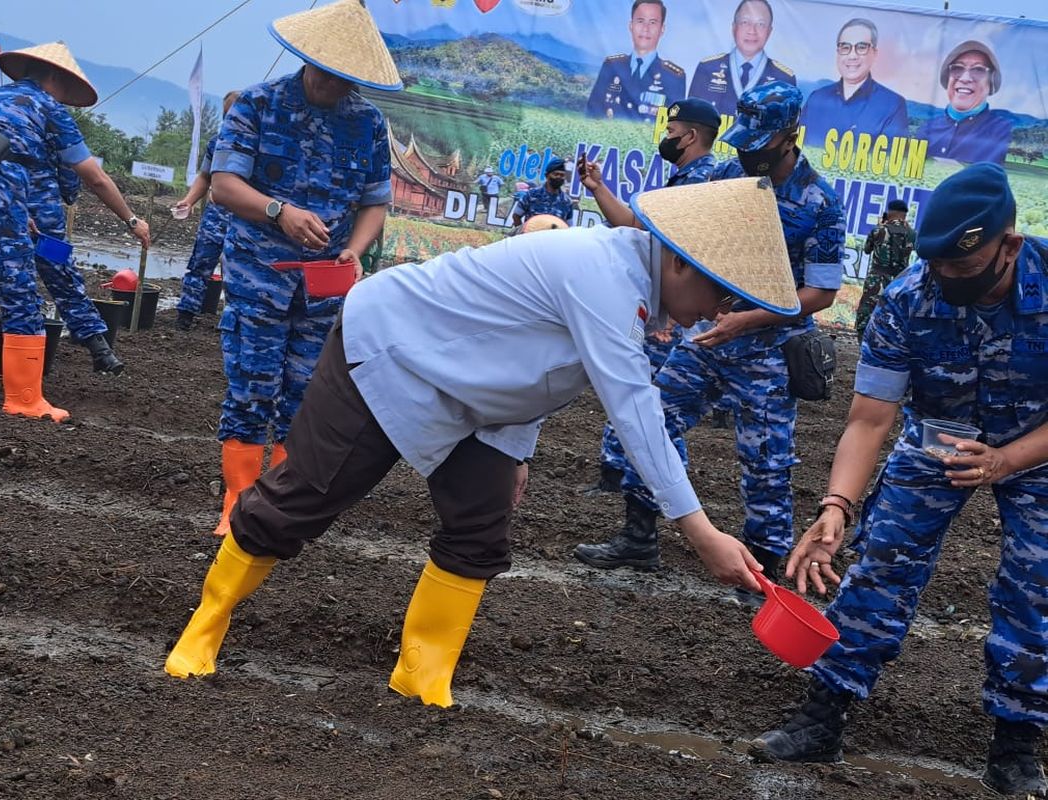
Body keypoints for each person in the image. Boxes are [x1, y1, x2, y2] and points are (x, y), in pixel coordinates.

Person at [163, 177, 802, 707]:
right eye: (718, 291)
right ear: (678, 261)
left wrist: (516, 450)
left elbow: (529, 358)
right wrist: (701, 532)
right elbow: (634, 408)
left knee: (481, 527)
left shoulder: (630, 286)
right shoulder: (603, 272)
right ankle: (204, 626)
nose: (718, 310)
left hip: (469, 395)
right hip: (390, 352)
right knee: (305, 498)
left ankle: (421, 678)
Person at [750, 163, 1048, 799]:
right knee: (880, 564)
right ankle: (824, 716)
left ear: (1010, 245)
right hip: (936, 440)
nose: (948, 284)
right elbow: (868, 419)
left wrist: (1007, 460)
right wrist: (835, 506)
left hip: (1038, 447)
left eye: (964, 273)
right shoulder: (909, 298)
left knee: (1037, 584)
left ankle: (1018, 741)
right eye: (940, 269)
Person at [574, 82, 846, 605]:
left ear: (790, 137)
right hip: (705, 337)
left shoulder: (820, 203)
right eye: (744, 142)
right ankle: (638, 535)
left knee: (767, 461)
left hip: (768, 351)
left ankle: (762, 573)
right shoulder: (724, 176)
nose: (749, 154)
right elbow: (659, 230)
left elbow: (822, 292)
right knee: (650, 418)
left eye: (761, 144)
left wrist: (746, 320)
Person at [205, 0, 396, 538]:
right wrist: (278, 212)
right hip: (258, 275)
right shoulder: (258, 106)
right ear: (308, 59)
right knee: (251, 385)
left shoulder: (366, 122)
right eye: (329, 74)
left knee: (308, 393)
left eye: (347, 79)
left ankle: (277, 505)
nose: (336, 87)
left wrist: (355, 248)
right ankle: (237, 502)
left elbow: (375, 201)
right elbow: (224, 186)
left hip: (324, 285)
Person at [0, 42, 151, 420]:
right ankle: (25, 399)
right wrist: (131, 220)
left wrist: (14, 210)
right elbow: (95, 177)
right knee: (19, 293)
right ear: (56, 77)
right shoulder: (50, 110)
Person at [575, 98, 722, 506]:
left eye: (672, 133)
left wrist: (674, 317)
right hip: (665, 305)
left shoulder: (704, 182)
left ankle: (655, 496)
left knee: (654, 404)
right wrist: (598, 188)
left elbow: (685, 255)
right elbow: (637, 230)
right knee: (639, 393)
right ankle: (620, 477)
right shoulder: (682, 180)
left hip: (677, 312)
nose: (667, 139)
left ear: (690, 136)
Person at [0, 121, 125, 375]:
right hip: (44, 210)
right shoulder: (57, 122)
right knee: (62, 275)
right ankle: (99, 347)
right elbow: (70, 180)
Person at [174, 90, 241, 332]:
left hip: (245, 219)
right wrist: (189, 201)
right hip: (215, 216)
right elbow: (204, 176)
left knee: (238, 271)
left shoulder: (259, 146)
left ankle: (232, 321)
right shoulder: (217, 143)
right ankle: (186, 314)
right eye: (226, 115)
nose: (229, 119)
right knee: (200, 262)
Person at [799, 18, 908, 146]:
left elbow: (892, 161)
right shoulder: (816, 98)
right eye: (845, 47)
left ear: (874, 53)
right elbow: (797, 150)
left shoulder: (893, 105)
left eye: (861, 47)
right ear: (838, 53)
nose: (852, 56)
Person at [689, 0, 796, 119]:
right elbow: (689, 122)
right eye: (745, 22)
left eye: (760, 24)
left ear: (769, 31)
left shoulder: (784, 79)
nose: (752, 31)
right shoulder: (708, 69)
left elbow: (784, 130)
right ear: (734, 27)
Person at [585, 0, 685, 122]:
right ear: (631, 25)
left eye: (652, 22)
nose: (645, 29)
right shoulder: (611, 66)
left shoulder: (673, 77)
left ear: (662, 29)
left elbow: (673, 126)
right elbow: (591, 114)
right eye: (640, 21)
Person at [915, 40, 1013, 165]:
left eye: (978, 70)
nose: (965, 78)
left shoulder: (1003, 132)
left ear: (991, 82)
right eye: (957, 68)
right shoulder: (927, 129)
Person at [855, 198, 915, 341]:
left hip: (877, 279)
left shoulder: (878, 230)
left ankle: (864, 345)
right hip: (900, 281)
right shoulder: (912, 234)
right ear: (905, 215)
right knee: (896, 314)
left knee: (866, 313)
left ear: (888, 213)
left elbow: (867, 250)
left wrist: (881, 226)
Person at [510, 157, 575, 228]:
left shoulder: (567, 202)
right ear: (547, 176)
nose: (559, 177)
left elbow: (569, 226)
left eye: (562, 175)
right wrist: (523, 234)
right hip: (532, 237)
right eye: (555, 174)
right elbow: (516, 216)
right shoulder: (532, 195)